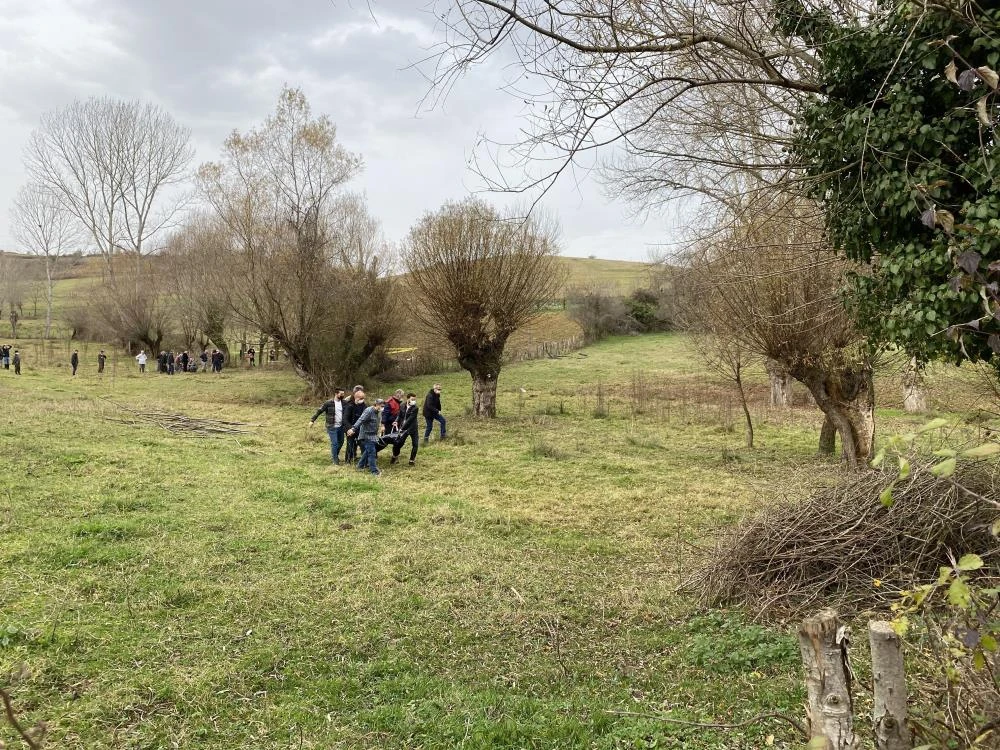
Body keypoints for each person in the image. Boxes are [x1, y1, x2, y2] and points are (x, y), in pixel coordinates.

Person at [347, 393, 383, 476]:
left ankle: (360, 466)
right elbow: (361, 420)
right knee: (372, 452)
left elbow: (378, 422)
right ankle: (374, 472)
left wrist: (381, 428)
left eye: (383, 406)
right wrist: (353, 429)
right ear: (376, 405)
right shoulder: (369, 411)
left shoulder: (378, 412)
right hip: (366, 435)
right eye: (381, 406)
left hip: (373, 435)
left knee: (367, 451)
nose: (382, 408)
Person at [310, 388, 347, 465]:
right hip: (331, 426)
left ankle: (334, 455)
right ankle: (335, 460)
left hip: (341, 426)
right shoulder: (328, 403)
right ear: (336, 394)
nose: (343, 395)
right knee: (335, 443)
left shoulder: (344, 403)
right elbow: (319, 411)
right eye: (341, 394)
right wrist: (312, 420)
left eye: (343, 394)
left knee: (341, 442)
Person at [391, 392, 420, 466]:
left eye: (414, 399)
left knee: (415, 444)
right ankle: (394, 456)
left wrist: (402, 428)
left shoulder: (415, 408)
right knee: (398, 443)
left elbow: (410, 419)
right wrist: (396, 421)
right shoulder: (402, 405)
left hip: (412, 428)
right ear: (408, 399)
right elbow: (399, 415)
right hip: (403, 428)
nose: (414, 401)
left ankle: (411, 460)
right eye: (412, 399)